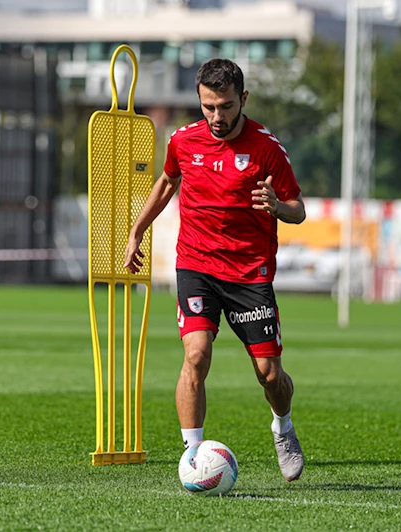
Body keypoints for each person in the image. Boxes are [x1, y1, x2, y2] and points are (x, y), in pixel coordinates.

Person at [123, 58, 307, 481]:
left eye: (224, 106)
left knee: (269, 374)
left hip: (249, 274)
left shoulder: (267, 149)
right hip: (196, 263)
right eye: (208, 106)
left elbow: (298, 209)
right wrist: (137, 231)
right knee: (196, 355)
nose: (216, 116)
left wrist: (278, 207)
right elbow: (167, 183)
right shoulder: (183, 141)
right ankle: (193, 456)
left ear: (242, 99)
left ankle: (283, 426)